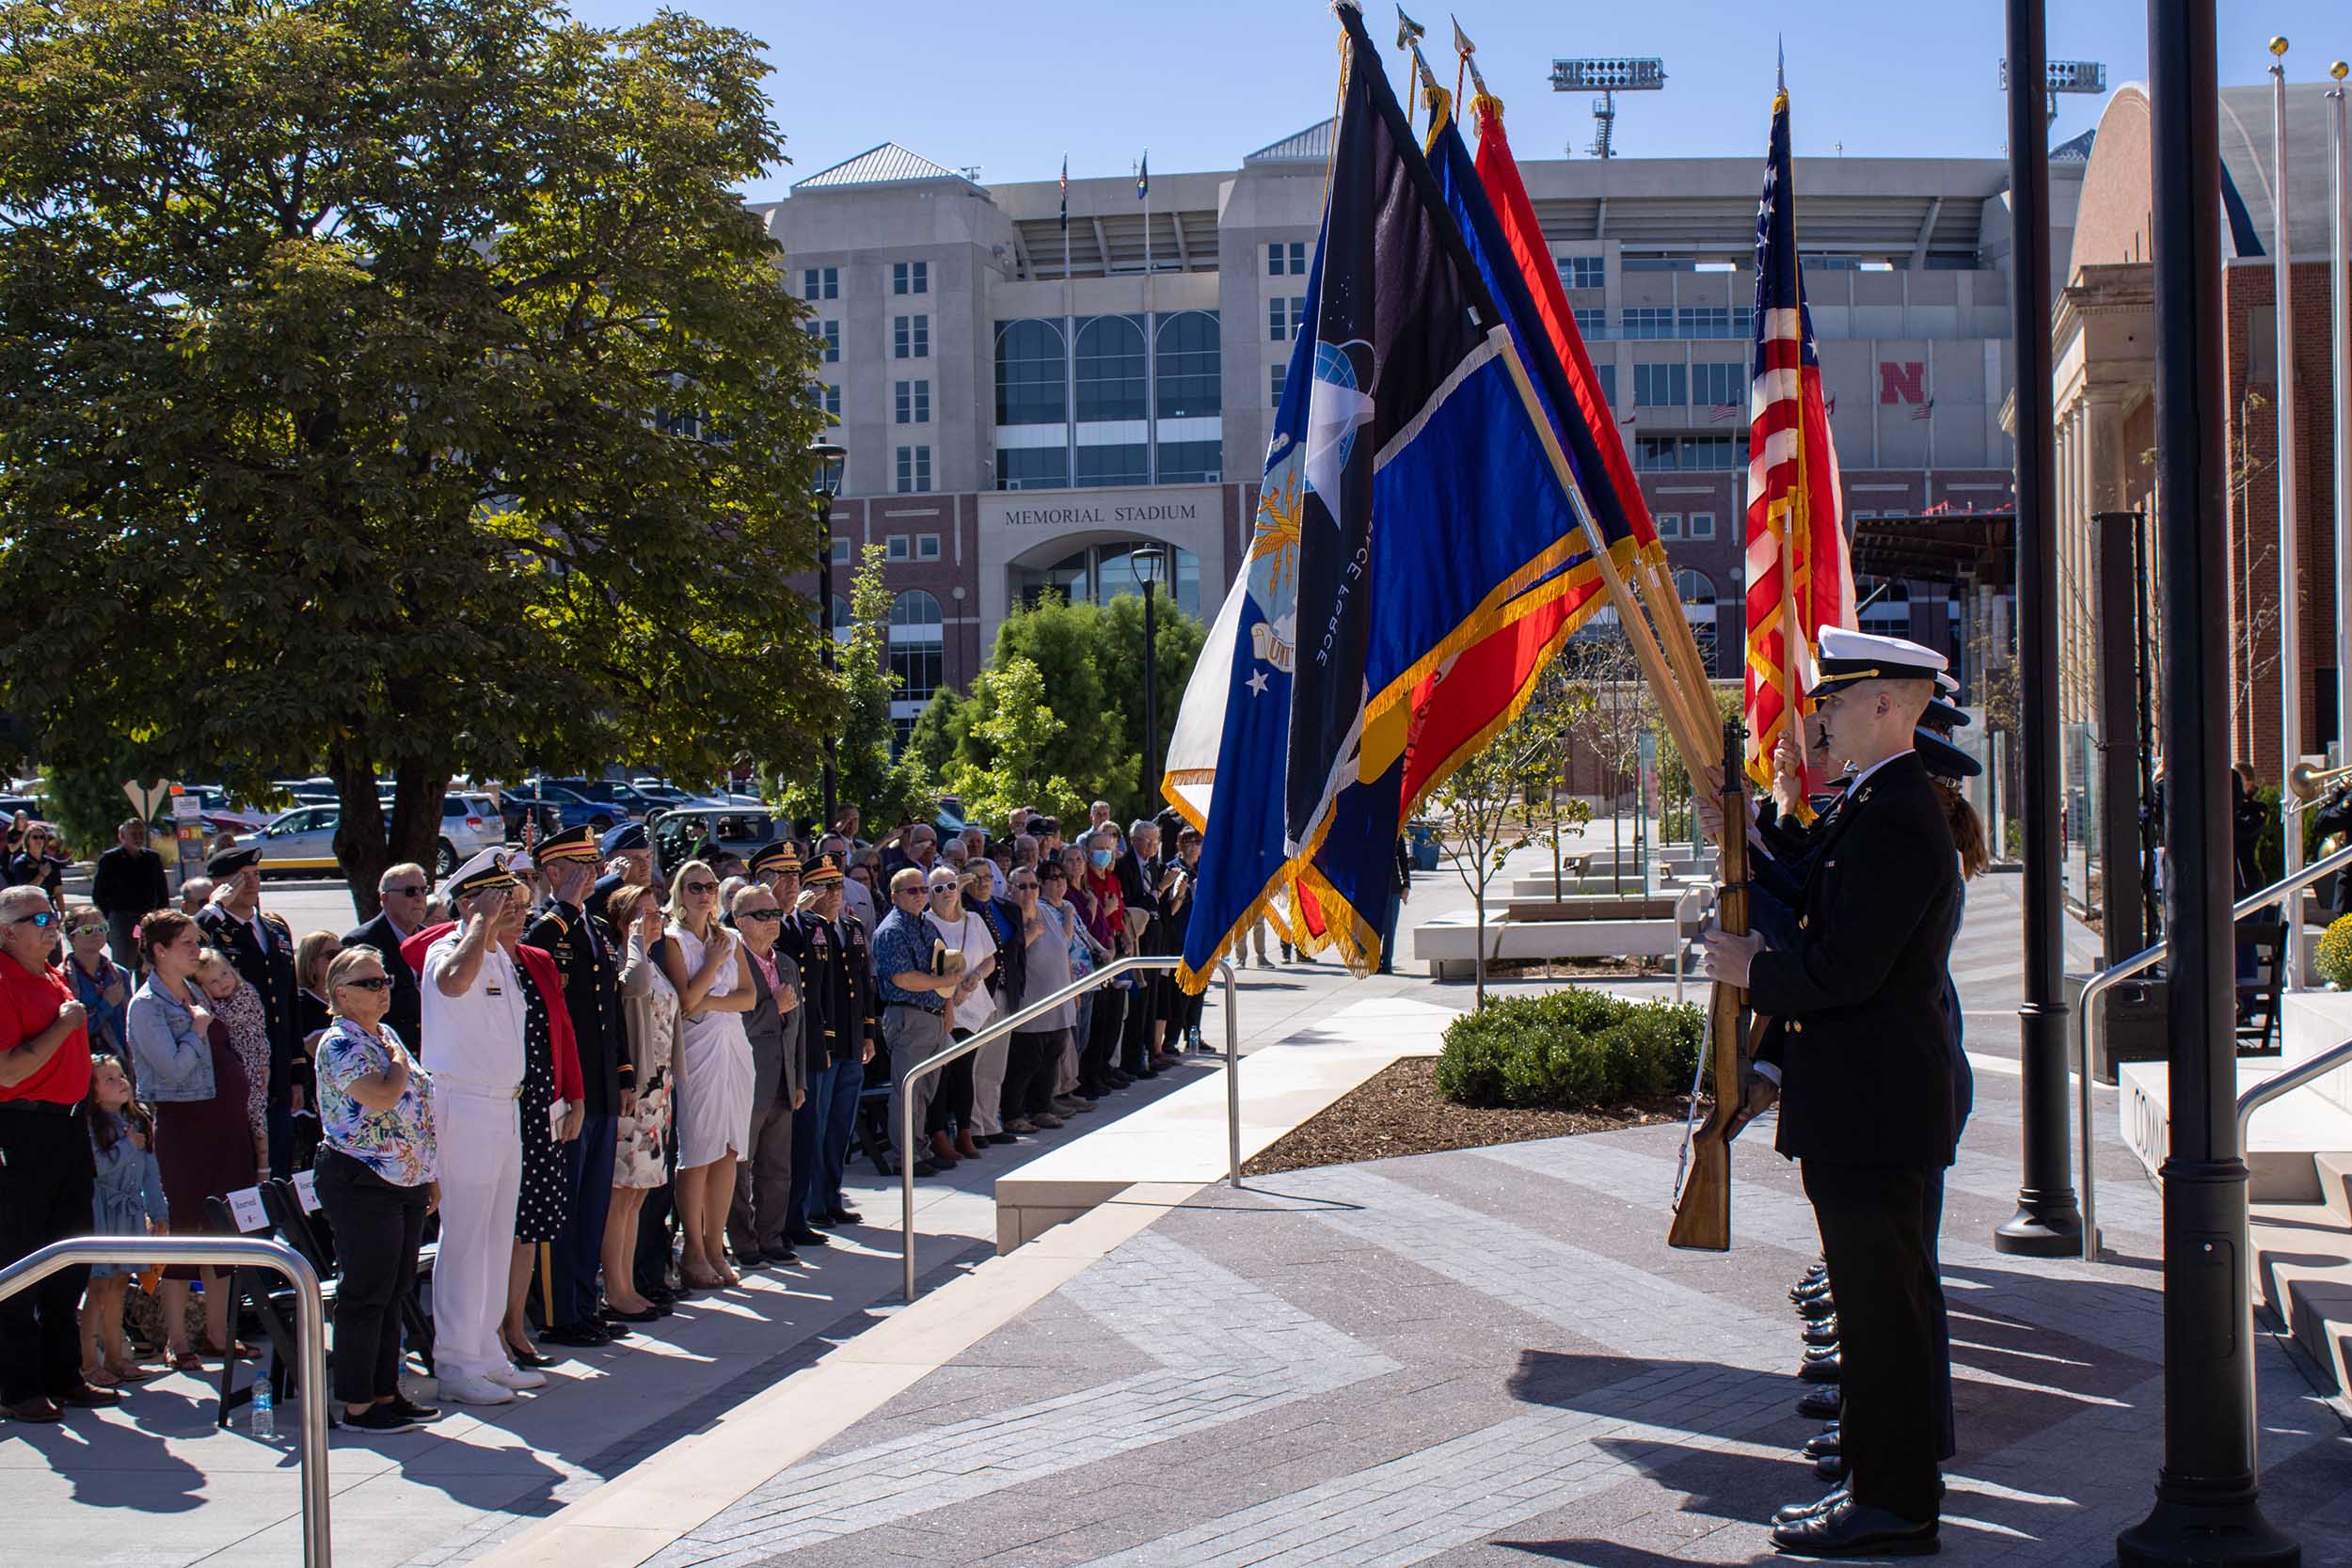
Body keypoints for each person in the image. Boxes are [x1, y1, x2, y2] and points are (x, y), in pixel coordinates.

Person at [1699, 627, 1963, 1558]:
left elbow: (1845, 965)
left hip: (1874, 1105)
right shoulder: (1877, 801)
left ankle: (1892, 1504)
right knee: (1881, 1303)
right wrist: (1743, 831)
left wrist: (1754, 968)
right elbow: (1809, 887)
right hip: (1870, 1100)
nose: (1821, 717)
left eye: (1838, 702)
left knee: (1880, 1312)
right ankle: (1882, 1471)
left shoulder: (1895, 814)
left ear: (1885, 704)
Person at [408, 850, 541, 1406]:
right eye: (500, 899)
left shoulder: (500, 959)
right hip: (462, 1104)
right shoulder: (450, 947)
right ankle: (456, 1361)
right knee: (464, 1238)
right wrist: (478, 923)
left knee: (494, 1235)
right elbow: (450, 984)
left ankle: (486, 1351)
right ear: (471, 901)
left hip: (502, 1106)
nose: (513, 908)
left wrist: (490, 931)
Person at [310, 945, 442, 1433]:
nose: (382, 988)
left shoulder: (384, 1034)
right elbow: (383, 1095)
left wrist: (429, 1172)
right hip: (362, 1178)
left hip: (404, 1177)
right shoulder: (339, 1043)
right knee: (365, 1292)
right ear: (341, 993)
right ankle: (358, 1403)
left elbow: (418, 1106)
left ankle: (387, 1392)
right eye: (370, 983)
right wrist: (399, 1068)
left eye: (384, 980)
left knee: (395, 1290)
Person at [128, 910, 264, 1369]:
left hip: (226, 1125)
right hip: (186, 1128)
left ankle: (218, 1333)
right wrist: (199, 1029)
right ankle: (178, 1341)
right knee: (185, 1229)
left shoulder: (196, 988)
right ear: (160, 950)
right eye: (186, 942)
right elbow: (171, 1067)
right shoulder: (146, 1006)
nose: (195, 949)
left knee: (225, 1231)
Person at [0, 884, 112, 1421]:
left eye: (54, 914)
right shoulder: (3, 980)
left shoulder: (50, 972)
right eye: (37, 917)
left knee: (69, 1257)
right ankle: (20, 1387)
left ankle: (65, 1375)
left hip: (69, 1129)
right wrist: (64, 1025)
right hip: (23, 1132)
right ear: (6, 931)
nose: (51, 924)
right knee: (20, 1261)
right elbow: (8, 1069)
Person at [526, 826, 628, 1350]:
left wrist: (625, 1072)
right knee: (562, 1206)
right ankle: (559, 1312)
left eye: (594, 867)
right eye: (580, 868)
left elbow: (612, 1008)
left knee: (592, 1204)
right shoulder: (545, 925)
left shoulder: (594, 927)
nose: (591, 877)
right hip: (566, 1090)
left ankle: (584, 1304)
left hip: (602, 1086)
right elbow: (535, 956)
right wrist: (563, 907)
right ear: (553, 873)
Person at [660, 860, 755, 1290]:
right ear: (680, 893)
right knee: (698, 1150)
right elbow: (685, 1002)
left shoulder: (730, 937)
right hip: (695, 1050)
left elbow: (750, 998)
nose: (704, 893)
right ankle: (694, 1249)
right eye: (695, 886)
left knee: (729, 1150)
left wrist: (711, 998)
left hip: (733, 1044)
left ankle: (716, 1246)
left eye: (711, 886)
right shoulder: (673, 941)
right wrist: (713, 968)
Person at [196, 845, 301, 1176]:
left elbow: (288, 1002)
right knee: (243, 1167)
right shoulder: (213, 930)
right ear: (222, 886)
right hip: (238, 1065)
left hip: (279, 1066)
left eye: (256, 876)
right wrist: (215, 908)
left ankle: (281, 1228)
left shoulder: (275, 929)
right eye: (242, 878)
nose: (253, 883)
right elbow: (183, 947)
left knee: (281, 1163)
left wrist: (297, 1071)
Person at [788, 854, 876, 1233]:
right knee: (818, 1125)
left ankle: (832, 1197)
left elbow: (863, 984)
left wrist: (869, 1032)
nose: (834, 894)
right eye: (825, 887)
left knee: (841, 1124)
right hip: (825, 1042)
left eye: (838, 885)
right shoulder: (807, 928)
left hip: (852, 1040)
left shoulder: (853, 928)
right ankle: (813, 1203)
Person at [723, 881, 805, 1267]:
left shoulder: (786, 962)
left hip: (782, 1080)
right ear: (740, 921)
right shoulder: (730, 961)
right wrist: (774, 1007)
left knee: (777, 1167)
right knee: (740, 1167)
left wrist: (799, 1077)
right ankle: (744, 1242)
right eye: (762, 915)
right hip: (745, 1079)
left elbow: (799, 1027)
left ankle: (772, 1236)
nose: (773, 921)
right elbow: (732, 1021)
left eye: (775, 913)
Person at [606, 885, 675, 1321]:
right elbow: (632, 988)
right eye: (643, 915)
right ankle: (615, 1287)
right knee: (622, 1192)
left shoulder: (651, 957)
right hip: (636, 1088)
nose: (655, 920)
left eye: (656, 913)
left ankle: (629, 1282)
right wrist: (633, 942)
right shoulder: (625, 959)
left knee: (638, 1195)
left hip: (658, 1088)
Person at [80, 1054, 167, 1387]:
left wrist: (159, 1213)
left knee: (120, 1284)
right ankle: (89, 1362)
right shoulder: (91, 1124)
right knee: (98, 1285)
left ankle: (117, 1356)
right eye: (109, 1079)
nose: (121, 1082)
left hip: (129, 1213)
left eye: (121, 1075)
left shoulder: (139, 1119)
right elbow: (100, 1168)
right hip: (103, 1213)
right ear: (92, 1091)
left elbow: (151, 1173)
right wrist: (127, 1147)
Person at [873, 867, 961, 1178]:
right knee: (908, 1091)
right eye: (913, 891)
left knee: (924, 1091)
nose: (921, 895)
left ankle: (920, 1150)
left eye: (924, 889)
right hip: (908, 1015)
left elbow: (944, 966)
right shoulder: (892, 930)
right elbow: (903, 978)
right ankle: (905, 1157)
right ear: (895, 896)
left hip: (933, 1017)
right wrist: (945, 982)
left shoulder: (926, 925)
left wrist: (948, 1005)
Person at [921, 864, 996, 1164]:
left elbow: (990, 959)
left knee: (965, 1070)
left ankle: (964, 1130)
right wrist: (951, 992)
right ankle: (938, 1133)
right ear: (930, 894)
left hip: (972, 1004)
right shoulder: (925, 923)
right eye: (938, 888)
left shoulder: (973, 920)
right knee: (942, 1072)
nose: (946, 893)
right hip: (940, 1008)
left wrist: (975, 977)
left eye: (951, 886)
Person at [346, 864, 431, 1055]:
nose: (419, 897)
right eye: (410, 891)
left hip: (432, 1054)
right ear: (385, 899)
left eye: (424, 890)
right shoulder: (362, 943)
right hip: (387, 1055)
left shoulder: (434, 941)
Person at [92, 819, 169, 976]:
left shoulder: (152, 858)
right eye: (133, 834)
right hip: (122, 921)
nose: (138, 837)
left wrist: (160, 917)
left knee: (148, 967)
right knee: (122, 968)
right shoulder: (110, 859)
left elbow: (162, 891)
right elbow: (99, 894)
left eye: (141, 833)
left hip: (148, 921)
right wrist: (111, 916)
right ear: (122, 836)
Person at [64, 905, 134, 1064]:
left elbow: (130, 1022)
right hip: (83, 1061)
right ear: (71, 937)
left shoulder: (118, 974)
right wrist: (107, 1004)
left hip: (121, 1061)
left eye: (102, 928)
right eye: (88, 930)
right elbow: (70, 1031)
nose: (97, 934)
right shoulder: (63, 977)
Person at [8, 821, 68, 903]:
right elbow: (25, 892)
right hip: (29, 908)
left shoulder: (52, 863)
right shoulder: (20, 863)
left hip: (48, 906)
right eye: (35, 837)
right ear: (28, 840)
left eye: (41, 837)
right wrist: (42, 875)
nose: (39, 840)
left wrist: (63, 913)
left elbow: (58, 892)